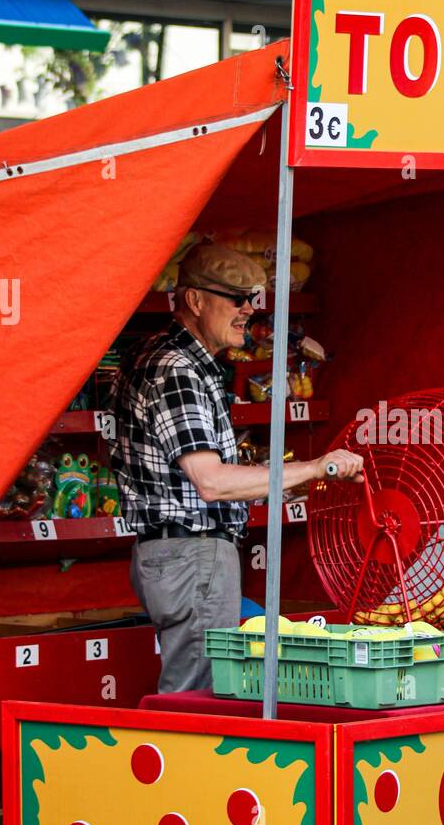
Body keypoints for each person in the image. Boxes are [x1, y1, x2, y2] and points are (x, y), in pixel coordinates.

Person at [108, 241, 363, 693]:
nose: (248, 309)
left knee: (197, 688)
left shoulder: (167, 357)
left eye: (251, 299)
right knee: (195, 696)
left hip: (179, 556)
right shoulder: (177, 369)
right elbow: (211, 482)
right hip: (192, 554)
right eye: (236, 298)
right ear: (194, 300)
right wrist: (316, 467)